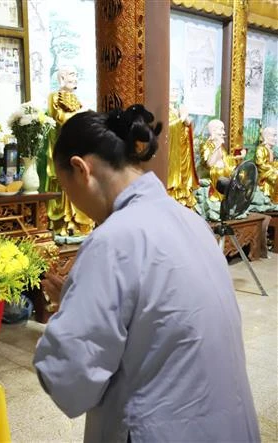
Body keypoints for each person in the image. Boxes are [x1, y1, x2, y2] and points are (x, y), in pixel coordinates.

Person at [33, 105, 259, 443]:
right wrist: (81, 298)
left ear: (81, 170)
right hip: (225, 421)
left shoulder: (111, 241)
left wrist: (69, 314)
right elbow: (158, 314)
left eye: (68, 191)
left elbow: (71, 379)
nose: (74, 204)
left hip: (159, 429)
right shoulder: (191, 220)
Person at [44, 66, 95, 237]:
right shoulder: (54, 97)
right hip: (63, 147)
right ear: (62, 78)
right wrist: (82, 112)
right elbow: (62, 119)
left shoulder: (76, 99)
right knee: (65, 180)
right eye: (71, 74)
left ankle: (79, 223)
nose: (75, 78)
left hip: (77, 146)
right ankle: (64, 224)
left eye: (76, 74)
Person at [166, 87, 198, 208]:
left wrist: (187, 120)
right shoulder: (165, 109)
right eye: (172, 90)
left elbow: (187, 126)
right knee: (174, 177)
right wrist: (182, 118)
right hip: (172, 151)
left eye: (176, 90)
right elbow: (167, 129)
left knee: (183, 178)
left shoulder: (176, 110)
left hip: (182, 150)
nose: (175, 93)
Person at [254, 127, 278, 203]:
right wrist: (273, 170)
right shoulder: (260, 149)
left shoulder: (271, 150)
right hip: (263, 175)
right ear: (266, 137)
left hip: (271, 172)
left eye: (275, 136)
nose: (275, 138)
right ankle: (275, 199)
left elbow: (273, 163)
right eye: (273, 136)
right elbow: (260, 164)